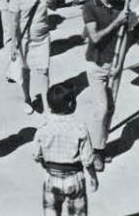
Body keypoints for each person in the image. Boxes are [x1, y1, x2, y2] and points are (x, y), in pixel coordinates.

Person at [81, 0, 131, 172]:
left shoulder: (122, 5)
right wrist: (117, 22)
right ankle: (96, 152)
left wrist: (121, 61)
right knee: (101, 109)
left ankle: (101, 144)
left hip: (115, 63)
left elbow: (128, 36)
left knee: (110, 108)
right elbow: (95, 37)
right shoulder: (90, 7)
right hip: (96, 64)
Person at [34, 82, 98, 216]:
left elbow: (36, 155)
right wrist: (93, 177)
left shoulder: (43, 127)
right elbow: (87, 159)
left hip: (51, 177)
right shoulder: (80, 128)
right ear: (71, 104)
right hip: (74, 178)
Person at [10, 0, 55, 115]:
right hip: (25, 39)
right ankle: (27, 99)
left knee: (43, 72)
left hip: (43, 37)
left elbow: (54, 6)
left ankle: (46, 105)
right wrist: (13, 45)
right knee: (25, 71)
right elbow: (14, 20)